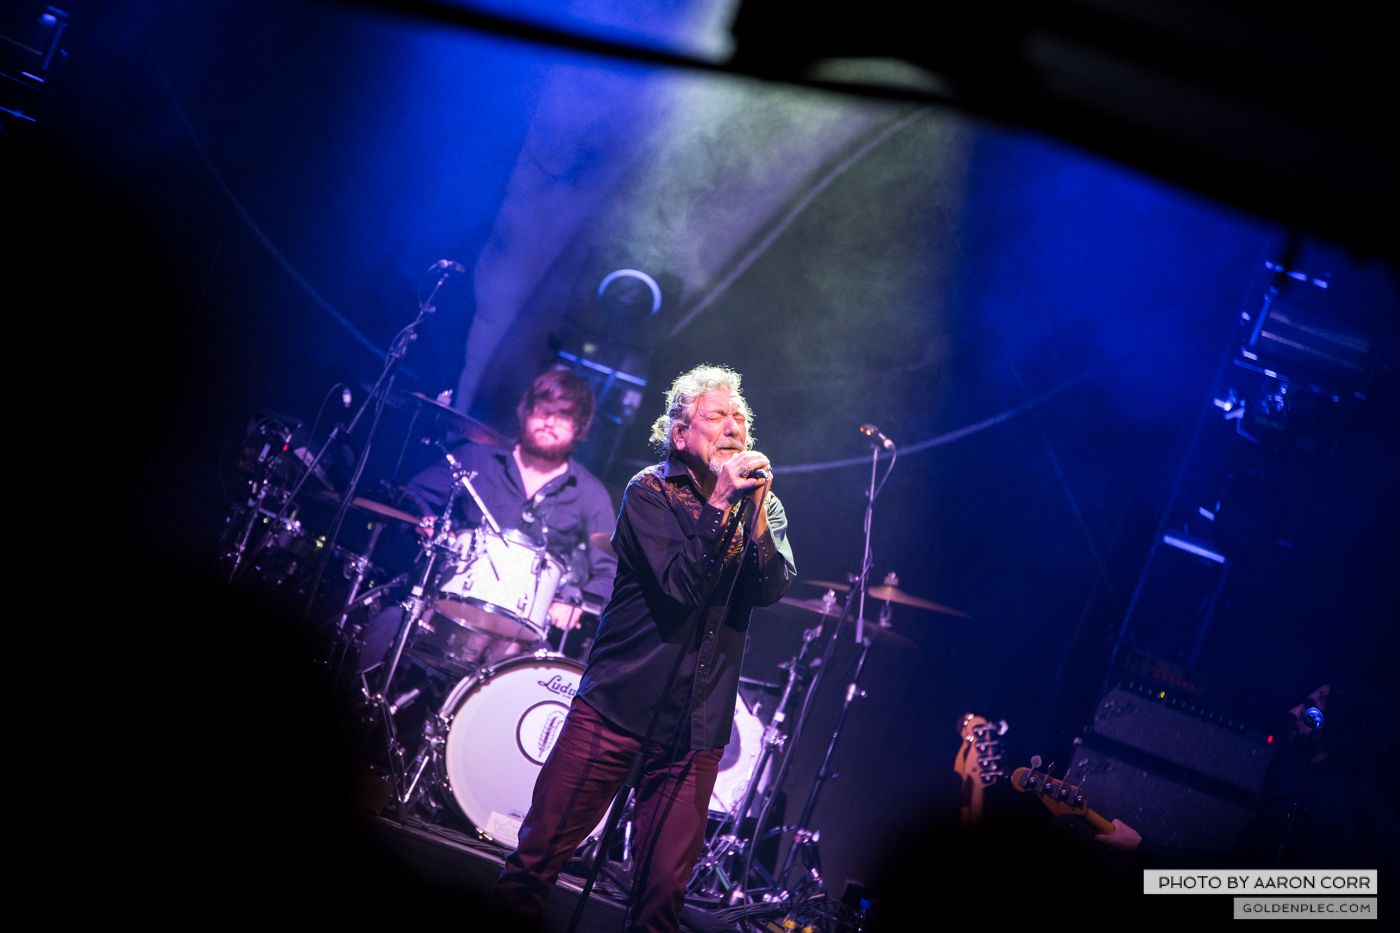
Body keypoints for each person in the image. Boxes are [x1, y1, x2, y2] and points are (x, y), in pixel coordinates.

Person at [494, 363, 797, 931]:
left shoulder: (762, 508)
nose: (732, 425)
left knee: (661, 899)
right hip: (614, 707)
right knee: (536, 863)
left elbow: (770, 588)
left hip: (696, 729)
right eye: (716, 416)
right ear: (680, 434)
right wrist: (719, 504)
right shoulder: (649, 492)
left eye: (739, 417)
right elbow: (682, 585)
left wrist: (751, 510)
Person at [356, 368, 617, 676]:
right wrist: (424, 521)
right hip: (442, 607)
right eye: (543, 411)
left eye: (563, 416)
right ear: (525, 412)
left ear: (580, 428)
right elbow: (411, 497)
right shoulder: (475, 457)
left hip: (521, 639)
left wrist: (573, 601)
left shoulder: (591, 494)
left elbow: (610, 570)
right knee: (387, 624)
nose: (549, 421)